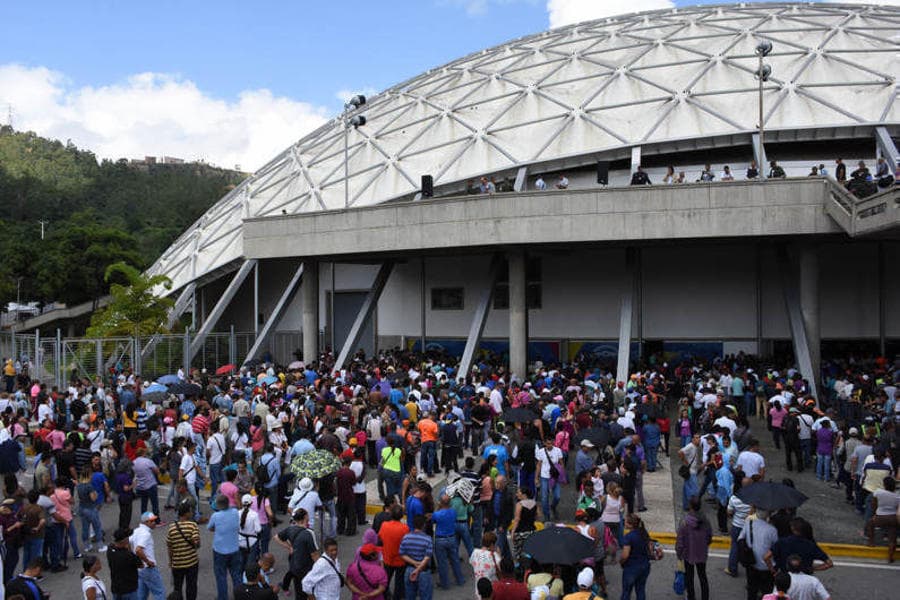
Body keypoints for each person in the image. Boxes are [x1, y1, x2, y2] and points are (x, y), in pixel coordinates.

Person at [676, 497, 712, 600]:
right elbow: (709, 537)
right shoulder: (705, 521)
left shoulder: (685, 522)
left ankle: (691, 597)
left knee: (689, 577)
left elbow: (680, 540)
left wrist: (679, 553)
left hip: (688, 553)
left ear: (691, 506)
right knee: (702, 576)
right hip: (701, 553)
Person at [208, 494, 243, 599]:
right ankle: (239, 596)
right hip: (235, 548)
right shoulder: (235, 512)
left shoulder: (216, 516)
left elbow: (210, 527)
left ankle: (222, 597)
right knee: (236, 574)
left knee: (221, 576)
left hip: (220, 550)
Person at [166, 502, 200, 600]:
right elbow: (197, 544)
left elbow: (170, 547)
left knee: (177, 588)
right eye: (190, 511)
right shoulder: (193, 526)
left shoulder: (172, 528)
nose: (192, 513)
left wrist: (171, 561)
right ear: (186, 513)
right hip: (191, 562)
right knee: (191, 586)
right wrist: (194, 542)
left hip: (177, 564)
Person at [282, 508, 319, 600]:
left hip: (295, 565)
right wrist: (320, 567)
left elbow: (276, 537)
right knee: (310, 591)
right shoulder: (309, 533)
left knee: (299, 591)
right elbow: (314, 554)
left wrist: (289, 547)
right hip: (307, 567)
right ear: (305, 517)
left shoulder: (290, 529)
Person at [432, 493, 465, 589]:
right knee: (455, 560)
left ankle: (445, 583)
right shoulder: (453, 512)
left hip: (440, 539)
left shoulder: (437, 514)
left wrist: (438, 508)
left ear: (440, 503)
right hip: (451, 537)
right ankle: (460, 579)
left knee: (442, 563)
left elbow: (433, 521)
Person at [131, 511, 166, 600]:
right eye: (152, 521)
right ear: (146, 522)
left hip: (140, 569)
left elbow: (128, 541)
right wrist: (148, 562)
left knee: (141, 595)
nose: (154, 522)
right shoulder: (146, 534)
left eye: (154, 520)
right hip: (148, 568)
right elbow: (138, 550)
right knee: (159, 592)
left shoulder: (136, 531)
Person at [399, 514, 433, 600]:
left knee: (410, 596)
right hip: (423, 571)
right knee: (425, 596)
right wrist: (418, 568)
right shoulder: (428, 539)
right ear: (424, 525)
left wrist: (414, 563)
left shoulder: (406, 537)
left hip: (409, 569)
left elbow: (402, 554)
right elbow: (427, 557)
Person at [379, 504, 409, 600]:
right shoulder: (405, 528)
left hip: (387, 557)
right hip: (400, 559)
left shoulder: (384, 525)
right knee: (399, 581)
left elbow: (380, 538)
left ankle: (384, 596)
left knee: (386, 579)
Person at [619, 513, 651, 600]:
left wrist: (621, 562)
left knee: (626, 592)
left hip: (632, 568)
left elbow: (625, 555)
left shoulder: (628, 537)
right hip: (644, 566)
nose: (624, 523)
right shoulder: (644, 533)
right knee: (640, 590)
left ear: (630, 525)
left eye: (625, 522)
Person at [865, 476, 898, 562]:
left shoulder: (878, 492)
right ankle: (890, 557)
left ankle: (871, 542)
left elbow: (874, 504)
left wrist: (875, 514)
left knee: (870, 523)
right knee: (892, 538)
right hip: (893, 518)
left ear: (884, 485)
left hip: (880, 517)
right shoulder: (897, 496)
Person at [108, 526, 143, 600]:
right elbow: (141, 565)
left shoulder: (110, 550)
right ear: (124, 540)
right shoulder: (128, 555)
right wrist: (129, 548)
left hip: (116, 589)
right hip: (129, 590)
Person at [536, 436, 563, 521]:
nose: (549, 445)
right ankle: (547, 516)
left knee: (557, 496)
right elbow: (539, 465)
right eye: (548, 443)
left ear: (553, 442)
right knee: (544, 498)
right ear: (544, 443)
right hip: (544, 477)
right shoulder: (541, 452)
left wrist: (561, 475)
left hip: (554, 477)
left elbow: (561, 463)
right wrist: (536, 478)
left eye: (551, 443)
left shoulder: (558, 451)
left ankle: (553, 506)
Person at [509, 487, 537, 565]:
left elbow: (517, 519)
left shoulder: (519, 504)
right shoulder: (534, 503)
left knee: (517, 553)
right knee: (529, 551)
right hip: (531, 530)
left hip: (521, 532)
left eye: (518, 492)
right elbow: (537, 516)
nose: (517, 494)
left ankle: (519, 567)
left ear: (524, 494)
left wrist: (513, 532)